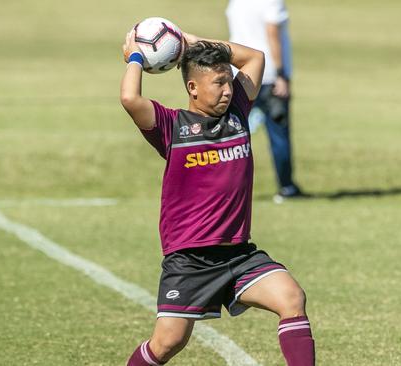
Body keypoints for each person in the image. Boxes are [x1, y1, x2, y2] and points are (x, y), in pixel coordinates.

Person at [120, 28, 316, 365]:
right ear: (192, 88)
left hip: (239, 255)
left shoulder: (238, 112)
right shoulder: (172, 126)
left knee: (291, 297)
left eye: (229, 82)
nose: (228, 90)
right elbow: (130, 99)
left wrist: (188, 40)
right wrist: (137, 56)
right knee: (167, 344)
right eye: (218, 84)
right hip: (190, 261)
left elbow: (255, 57)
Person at [226, 0, 306, 202]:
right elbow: (272, 33)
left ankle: (226, 190)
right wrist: (281, 74)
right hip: (268, 76)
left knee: (231, 135)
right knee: (278, 134)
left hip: (239, 75)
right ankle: (287, 188)